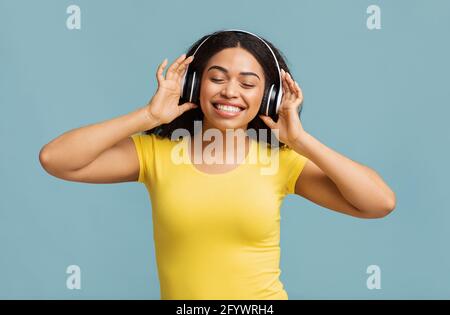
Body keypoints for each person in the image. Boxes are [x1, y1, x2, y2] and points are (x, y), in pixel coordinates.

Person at [39, 30, 396, 300]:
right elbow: (56, 160)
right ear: (195, 84)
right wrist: (147, 116)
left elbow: (379, 202)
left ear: (267, 96)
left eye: (247, 83)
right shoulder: (156, 154)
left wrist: (301, 141)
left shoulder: (281, 162)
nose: (230, 92)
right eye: (217, 78)